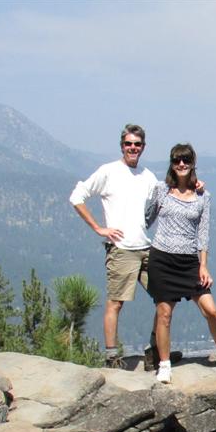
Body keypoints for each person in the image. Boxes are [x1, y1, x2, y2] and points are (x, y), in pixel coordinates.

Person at [69, 123, 182, 370]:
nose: (133, 148)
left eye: (137, 144)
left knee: (166, 296)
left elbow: (168, 194)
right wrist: (99, 228)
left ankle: (155, 353)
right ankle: (112, 358)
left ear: (143, 147)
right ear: (122, 146)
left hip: (147, 248)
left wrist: (195, 185)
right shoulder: (108, 172)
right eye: (129, 144)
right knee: (116, 302)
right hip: (121, 249)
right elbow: (77, 196)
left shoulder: (147, 176)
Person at [146, 143, 216, 383]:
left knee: (211, 310)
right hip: (162, 258)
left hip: (190, 261)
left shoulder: (203, 196)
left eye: (186, 160)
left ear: (192, 163)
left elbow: (203, 233)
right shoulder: (161, 190)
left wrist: (203, 265)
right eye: (177, 160)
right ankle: (164, 364)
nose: (181, 164)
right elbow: (146, 218)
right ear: (171, 164)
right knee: (164, 313)